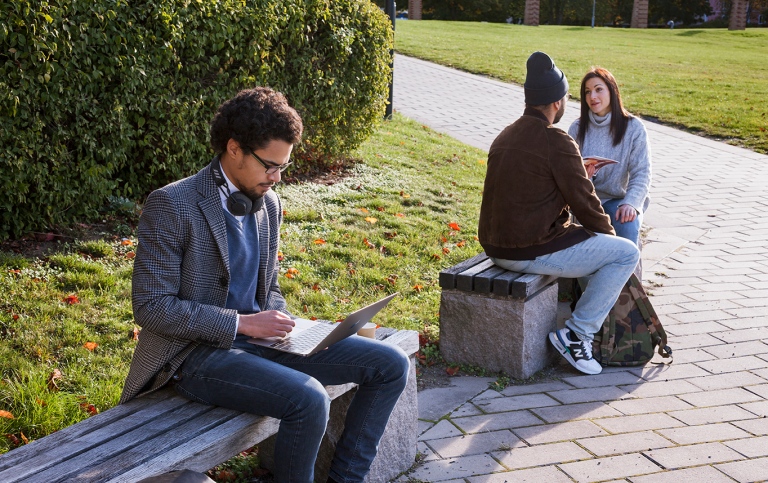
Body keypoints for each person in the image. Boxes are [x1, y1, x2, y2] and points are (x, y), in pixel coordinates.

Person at [120, 87, 410, 483]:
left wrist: (286, 325)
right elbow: (152, 307)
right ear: (234, 148)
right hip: (192, 356)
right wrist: (241, 325)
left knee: (389, 363)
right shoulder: (172, 204)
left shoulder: (267, 204)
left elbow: (268, 288)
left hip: (257, 342)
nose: (276, 178)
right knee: (308, 399)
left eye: (283, 168)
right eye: (269, 166)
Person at [477, 52, 640, 376]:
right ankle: (577, 335)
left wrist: (576, 171)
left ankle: (586, 326)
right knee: (624, 254)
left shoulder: (505, 134)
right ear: (556, 102)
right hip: (527, 249)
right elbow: (585, 204)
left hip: (495, 247)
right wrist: (607, 235)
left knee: (597, 247)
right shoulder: (556, 139)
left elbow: (531, 187)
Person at [568, 67, 651, 251]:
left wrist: (631, 203)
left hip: (619, 199)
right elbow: (568, 174)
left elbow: (642, 172)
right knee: (585, 242)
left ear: (612, 91)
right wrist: (586, 179)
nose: (592, 97)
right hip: (587, 200)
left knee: (627, 223)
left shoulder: (634, 128)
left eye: (598, 89)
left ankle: (627, 279)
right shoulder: (577, 128)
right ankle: (592, 280)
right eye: (587, 92)